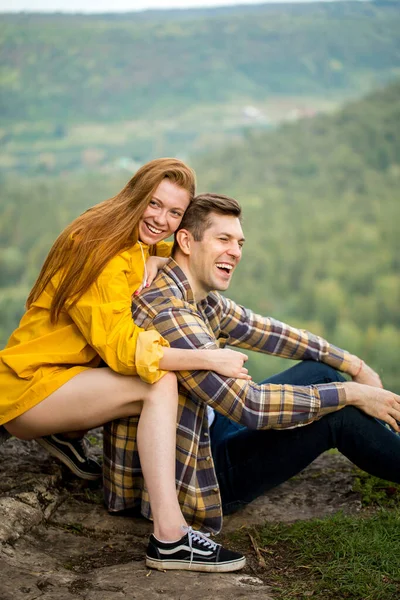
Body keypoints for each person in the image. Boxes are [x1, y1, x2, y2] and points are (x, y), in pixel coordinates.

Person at [104, 192, 400, 572]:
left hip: (207, 434)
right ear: (186, 241)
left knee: (322, 373)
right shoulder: (168, 310)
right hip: (195, 477)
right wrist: (354, 392)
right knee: (339, 411)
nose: (236, 251)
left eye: (239, 242)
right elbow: (251, 406)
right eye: (223, 239)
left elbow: (265, 330)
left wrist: (354, 364)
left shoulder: (195, 293)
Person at [0, 162, 250, 570]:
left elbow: (157, 248)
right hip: (29, 389)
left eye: (174, 214)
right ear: (136, 194)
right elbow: (123, 350)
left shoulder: (127, 232)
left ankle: (66, 433)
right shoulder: (98, 248)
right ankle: (170, 537)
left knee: (153, 377)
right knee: (158, 384)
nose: (161, 220)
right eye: (154, 204)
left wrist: (157, 259)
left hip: (61, 377)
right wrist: (206, 357)